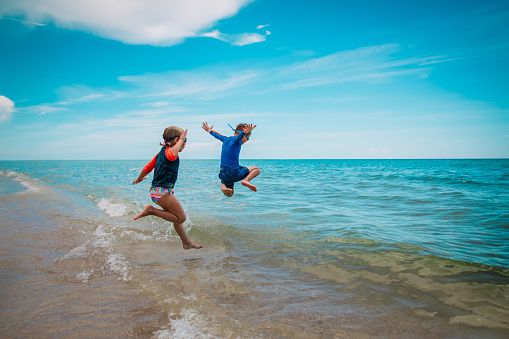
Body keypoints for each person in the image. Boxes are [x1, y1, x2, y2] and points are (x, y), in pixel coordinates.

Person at [132, 126, 203, 250]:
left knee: (176, 218)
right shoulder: (170, 153)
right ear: (177, 140)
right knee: (182, 218)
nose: (185, 144)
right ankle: (151, 210)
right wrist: (181, 140)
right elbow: (171, 155)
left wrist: (138, 179)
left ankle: (186, 242)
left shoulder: (161, 153)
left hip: (157, 191)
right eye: (184, 140)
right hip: (162, 192)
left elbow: (147, 168)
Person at [202, 122, 260, 197]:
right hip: (234, 172)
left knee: (230, 193)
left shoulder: (225, 139)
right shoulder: (237, 140)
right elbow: (239, 137)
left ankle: (223, 186)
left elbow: (217, 135)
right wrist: (244, 132)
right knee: (256, 169)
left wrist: (209, 130)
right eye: (247, 138)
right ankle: (246, 180)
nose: (246, 140)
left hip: (223, 174)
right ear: (244, 136)